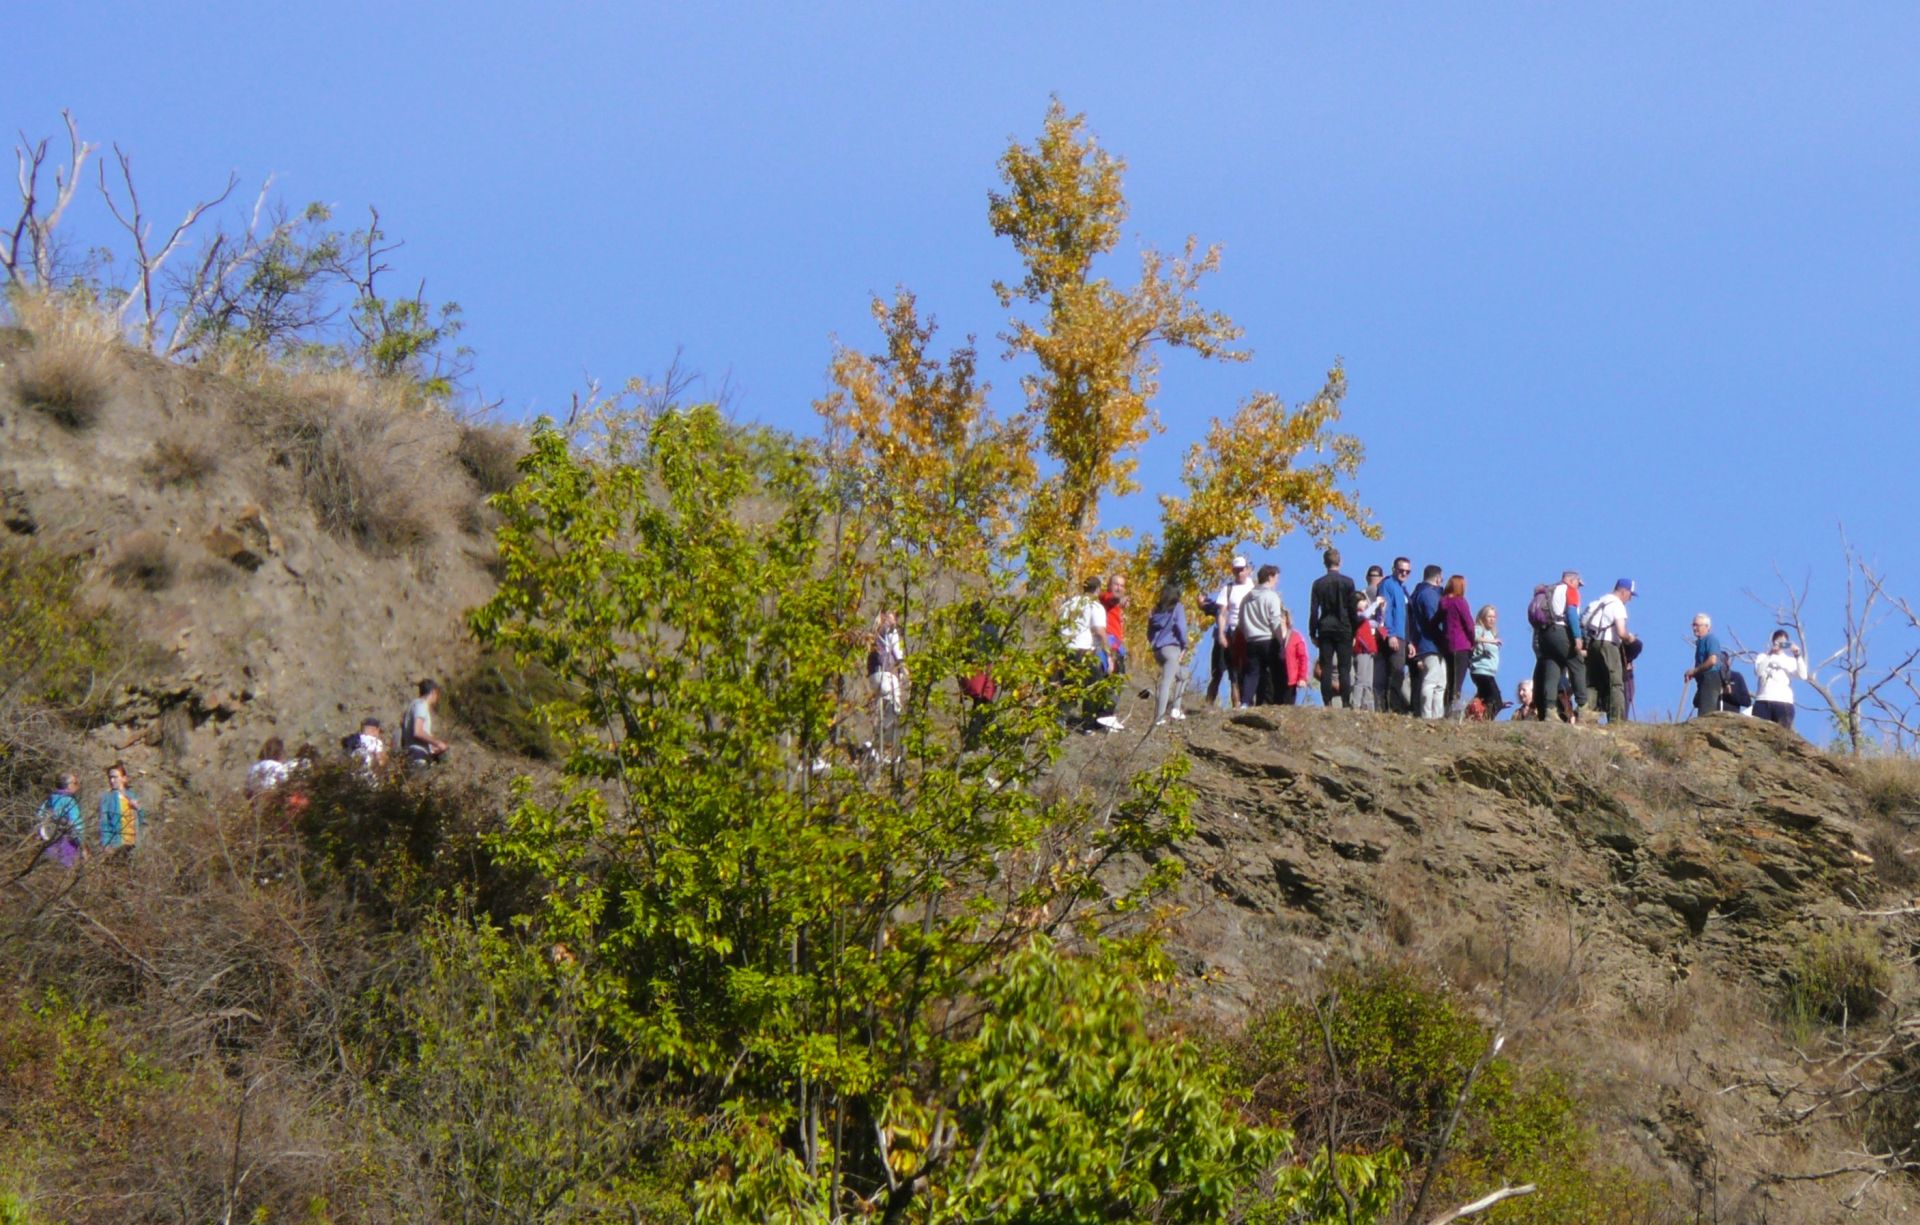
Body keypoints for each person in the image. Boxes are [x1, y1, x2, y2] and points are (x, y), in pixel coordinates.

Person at [1532, 571, 1587, 723]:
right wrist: (1577, 636)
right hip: (1560, 631)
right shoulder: (1570, 590)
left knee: (1553, 668)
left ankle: (1550, 711)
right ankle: (1584, 707)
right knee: (1577, 664)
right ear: (1571, 580)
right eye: (1578, 583)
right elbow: (1571, 614)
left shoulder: (1550, 590)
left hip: (1544, 634)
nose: (1579, 587)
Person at [1581, 579, 1639, 724]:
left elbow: (1583, 623)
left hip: (1592, 647)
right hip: (1609, 645)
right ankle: (1617, 720)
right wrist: (1630, 638)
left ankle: (1587, 718)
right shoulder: (1617, 605)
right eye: (1630, 595)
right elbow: (1621, 632)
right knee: (1615, 683)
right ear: (1623, 591)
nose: (1629, 599)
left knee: (1592, 684)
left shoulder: (1595, 603)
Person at [1060, 577, 1114, 730]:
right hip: (1082, 650)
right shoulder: (1095, 606)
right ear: (1098, 589)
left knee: (1068, 684)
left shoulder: (1068, 603)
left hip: (1063, 649)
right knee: (1093, 686)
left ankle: (1060, 718)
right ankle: (1087, 724)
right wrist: (1108, 655)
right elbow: (1099, 631)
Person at [1309, 548, 1357, 708]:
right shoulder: (1348, 582)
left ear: (1325, 563)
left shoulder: (1318, 583)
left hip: (1325, 627)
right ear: (1340, 561)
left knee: (1326, 665)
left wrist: (1312, 631)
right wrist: (1355, 630)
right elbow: (1352, 609)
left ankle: (1327, 700)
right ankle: (1345, 700)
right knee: (1344, 667)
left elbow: (1314, 610)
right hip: (1344, 627)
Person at [1237, 564, 1286, 707]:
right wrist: (1281, 641)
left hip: (1251, 640)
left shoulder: (1247, 598)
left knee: (1252, 673)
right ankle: (1278, 702)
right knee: (1277, 672)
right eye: (1276, 577)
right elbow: (1275, 621)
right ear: (1270, 577)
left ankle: (1245, 702)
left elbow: (1241, 621)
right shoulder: (1271, 596)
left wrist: (1248, 635)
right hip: (1268, 640)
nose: (1277, 581)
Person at [1210, 558, 1256, 709]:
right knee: (1227, 672)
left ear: (1247, 569)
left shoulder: (1253, 588)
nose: (1239, 573)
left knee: (1246, 670)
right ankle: (1211, 705)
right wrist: (1221, 634)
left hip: (1249, 633)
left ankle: (1246, 703)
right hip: (1231, 632)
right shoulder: (1227, 589)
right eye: (1236, 570)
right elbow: (1222, 613)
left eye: (1241, 569)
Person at [1147, 582, 1190, 727]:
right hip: (1172, 649)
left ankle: (1176, 709)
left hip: (1159, 650)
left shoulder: (1156, 610)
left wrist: (1154, 643)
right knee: (1166, 683)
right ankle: (1158, 717)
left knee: (1183, 675)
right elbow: (1182, 628)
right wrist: (1185, 645)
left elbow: (1150, 631)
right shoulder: (1177, 608)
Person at [1408, 564, 1447, 719]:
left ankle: (1437, 715)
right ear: (1438, 578)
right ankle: (1427, 714)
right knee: (1431, 679)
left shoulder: (1417, 593)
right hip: (1430, 643)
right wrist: (1444, 636)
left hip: (1429, 643)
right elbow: (1434, 619)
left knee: (1440, 682)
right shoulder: (1428, 595)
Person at [867, 610, 908, 756]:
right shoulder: (890, 630)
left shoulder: (874, 632)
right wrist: (903, 669)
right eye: (893, 617)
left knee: (882, 710)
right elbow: (896, 650)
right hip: (886, 673)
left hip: (873, 675)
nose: (894, 621)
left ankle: (877, 750)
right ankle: (878, 742)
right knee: (895, 708)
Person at [1752, 631, 1807, 730]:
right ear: (1773, 642)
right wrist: (1770, 654)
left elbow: (1803, 676)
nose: (1781, 644)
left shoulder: (1790, 660)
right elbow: (1758, 672)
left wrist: (1797, 655)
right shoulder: (1762, 657)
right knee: (1759, 732)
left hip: (1783, 702)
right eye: (1778, 641)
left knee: (1782, 735)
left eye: (1784, 642)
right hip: (1763, 700)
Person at [1378, 558, 1413, 712]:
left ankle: (1395, 706)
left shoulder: (1403, 589)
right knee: (1395, 672)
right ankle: (1392, 707)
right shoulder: (1388, 585)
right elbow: (1385, 611)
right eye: (1401, 570)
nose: (1404, 573)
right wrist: (1390, 634)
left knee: (1400, 672)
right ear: (1394, 569)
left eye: (1407, 571)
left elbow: (1405, 617)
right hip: (1394, 635)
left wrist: (1410, 641)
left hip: (1403, 637)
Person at [1439, 575, 1475, 717]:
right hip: (1461, 645)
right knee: (1457, 681)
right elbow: (1469, 624)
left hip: (1447, 646)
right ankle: (1452, 710)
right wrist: (1472, 641)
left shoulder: (1444, 602)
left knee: (1449, 679)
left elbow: (1435, 621)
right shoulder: (1460, 602)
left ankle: (1446, 707)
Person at [35, 773, 85, 868]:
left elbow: (39, 816)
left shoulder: (49, 799)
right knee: (66, 871)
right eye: (75, 783)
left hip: (49, 842)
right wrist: (81, 842)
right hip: (67, 843)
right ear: (69, 785)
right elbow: (76, 824)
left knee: (50, 869)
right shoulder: (69, 801)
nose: (77, 786)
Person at [402, 679, 451, 766]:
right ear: (433, 692)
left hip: (410, 753)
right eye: (437, 694)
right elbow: (418, 732)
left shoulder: (413, 705)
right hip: (417, 755)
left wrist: (431, 748)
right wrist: (438, 743)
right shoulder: (421, 705)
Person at [1684, 614, 1724, 717]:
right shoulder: (1700, 643)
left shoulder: (1710, 639)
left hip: (1711, 677)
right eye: (1693, 625)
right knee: (1701, 705)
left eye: (1697, 625)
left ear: (1707, 626)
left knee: (1706, 712)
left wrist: (1695, 671)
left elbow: (1712, 660)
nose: (1694, 628)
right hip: (1703, 680)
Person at [97, 762, 142, 852]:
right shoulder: (107, 798)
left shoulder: (133, 796)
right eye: (110, 777)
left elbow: (144, 821)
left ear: (124, 779)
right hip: (117, 845)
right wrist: (106, 844)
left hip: (134, 844)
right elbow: (104, 823)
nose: (112, 781)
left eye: (115, 777)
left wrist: (139, 809)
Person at [1469, 605, 1504, 717]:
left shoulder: (1491, 633)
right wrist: (1491, 642)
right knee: (1496, 701)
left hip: (1489, 672)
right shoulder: (1479, 629)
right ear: (1482, 617)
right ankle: (1485, 721)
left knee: (1483, 698)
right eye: (1489, 616)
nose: (1492, 619)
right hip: (1481, 671)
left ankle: (1467, 715)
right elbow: (1474, 637)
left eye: (1494, 617)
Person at [1352, 591, 1381, 711]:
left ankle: (1369, 706)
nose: (1365, 603)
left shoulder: (1365, 620)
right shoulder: (1356, 616)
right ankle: (1356, 704)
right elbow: (1365, 615)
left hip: (1369, 651)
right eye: (1362, 601)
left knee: (1369, 681)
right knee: (1360, 679)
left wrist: (1381, 610)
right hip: (1361, 650)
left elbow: (1377, 623)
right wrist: (1375, 603)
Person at [1099, 574, 1129, 680]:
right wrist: (1121, 599)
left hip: (1117, 641)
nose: (1119, 588)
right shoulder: (1105, 596)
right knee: (1112, 674)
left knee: (1118, 677)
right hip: (1109, 639)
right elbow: (1113, 599)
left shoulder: (1117, 606)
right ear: (1109, 586)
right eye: (1116, 584)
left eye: (1121, 586)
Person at [1280, 608, 1311, 707]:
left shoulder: (1295, 637)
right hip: (1274, 679)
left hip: (1290, 680)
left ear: (1286, 619)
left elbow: (1303, 657)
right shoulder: (1271, 637)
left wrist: (1302, 677)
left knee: (1287, 707)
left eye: (1281, 617)